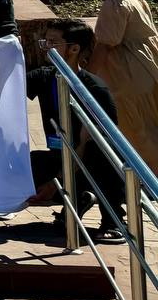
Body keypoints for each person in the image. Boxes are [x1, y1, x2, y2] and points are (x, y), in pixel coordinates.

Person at [28, 20, 124, 243]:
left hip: (88, 159)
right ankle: (78, 200)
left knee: (103, 158)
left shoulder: (94, 89)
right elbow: (6, 85)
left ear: (74, 49)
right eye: (45, 41)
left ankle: (114, 221)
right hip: (60, 155)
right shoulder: (44, 77)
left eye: (53, 42)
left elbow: (90, 144)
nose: (46, 47)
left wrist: (55, 183)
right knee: (26, 163)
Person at [91, 0, 158, 172]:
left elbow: (105, 44)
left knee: (137, 131)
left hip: (127, 72)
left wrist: (87, 76)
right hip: (150, 64)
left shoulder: (114, 3)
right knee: (151, 125)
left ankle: (148, 179)